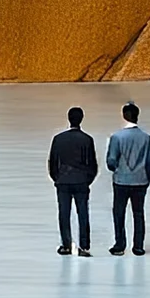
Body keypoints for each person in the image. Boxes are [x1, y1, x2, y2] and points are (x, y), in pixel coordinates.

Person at [106, 101, 150, 255]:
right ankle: (138, 246)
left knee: (119, 213)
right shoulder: (146, 138)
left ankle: (120, 244)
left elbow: (111, 160)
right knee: (138, 213)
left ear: (124, 116)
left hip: (121, 180)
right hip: (140, 180)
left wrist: (116, 170)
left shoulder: (117, 137)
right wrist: (146, 177)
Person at [47, 106, 97, 255]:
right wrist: (88, 179)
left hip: (63, 180)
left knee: (64, 213)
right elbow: (92, 164)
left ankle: (66, 244)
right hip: (81, 181)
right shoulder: (87, 139)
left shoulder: (58, 139)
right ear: (81, 119)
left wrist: (57, 177)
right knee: (83, 213)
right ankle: (84, 245)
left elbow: (53, 162)